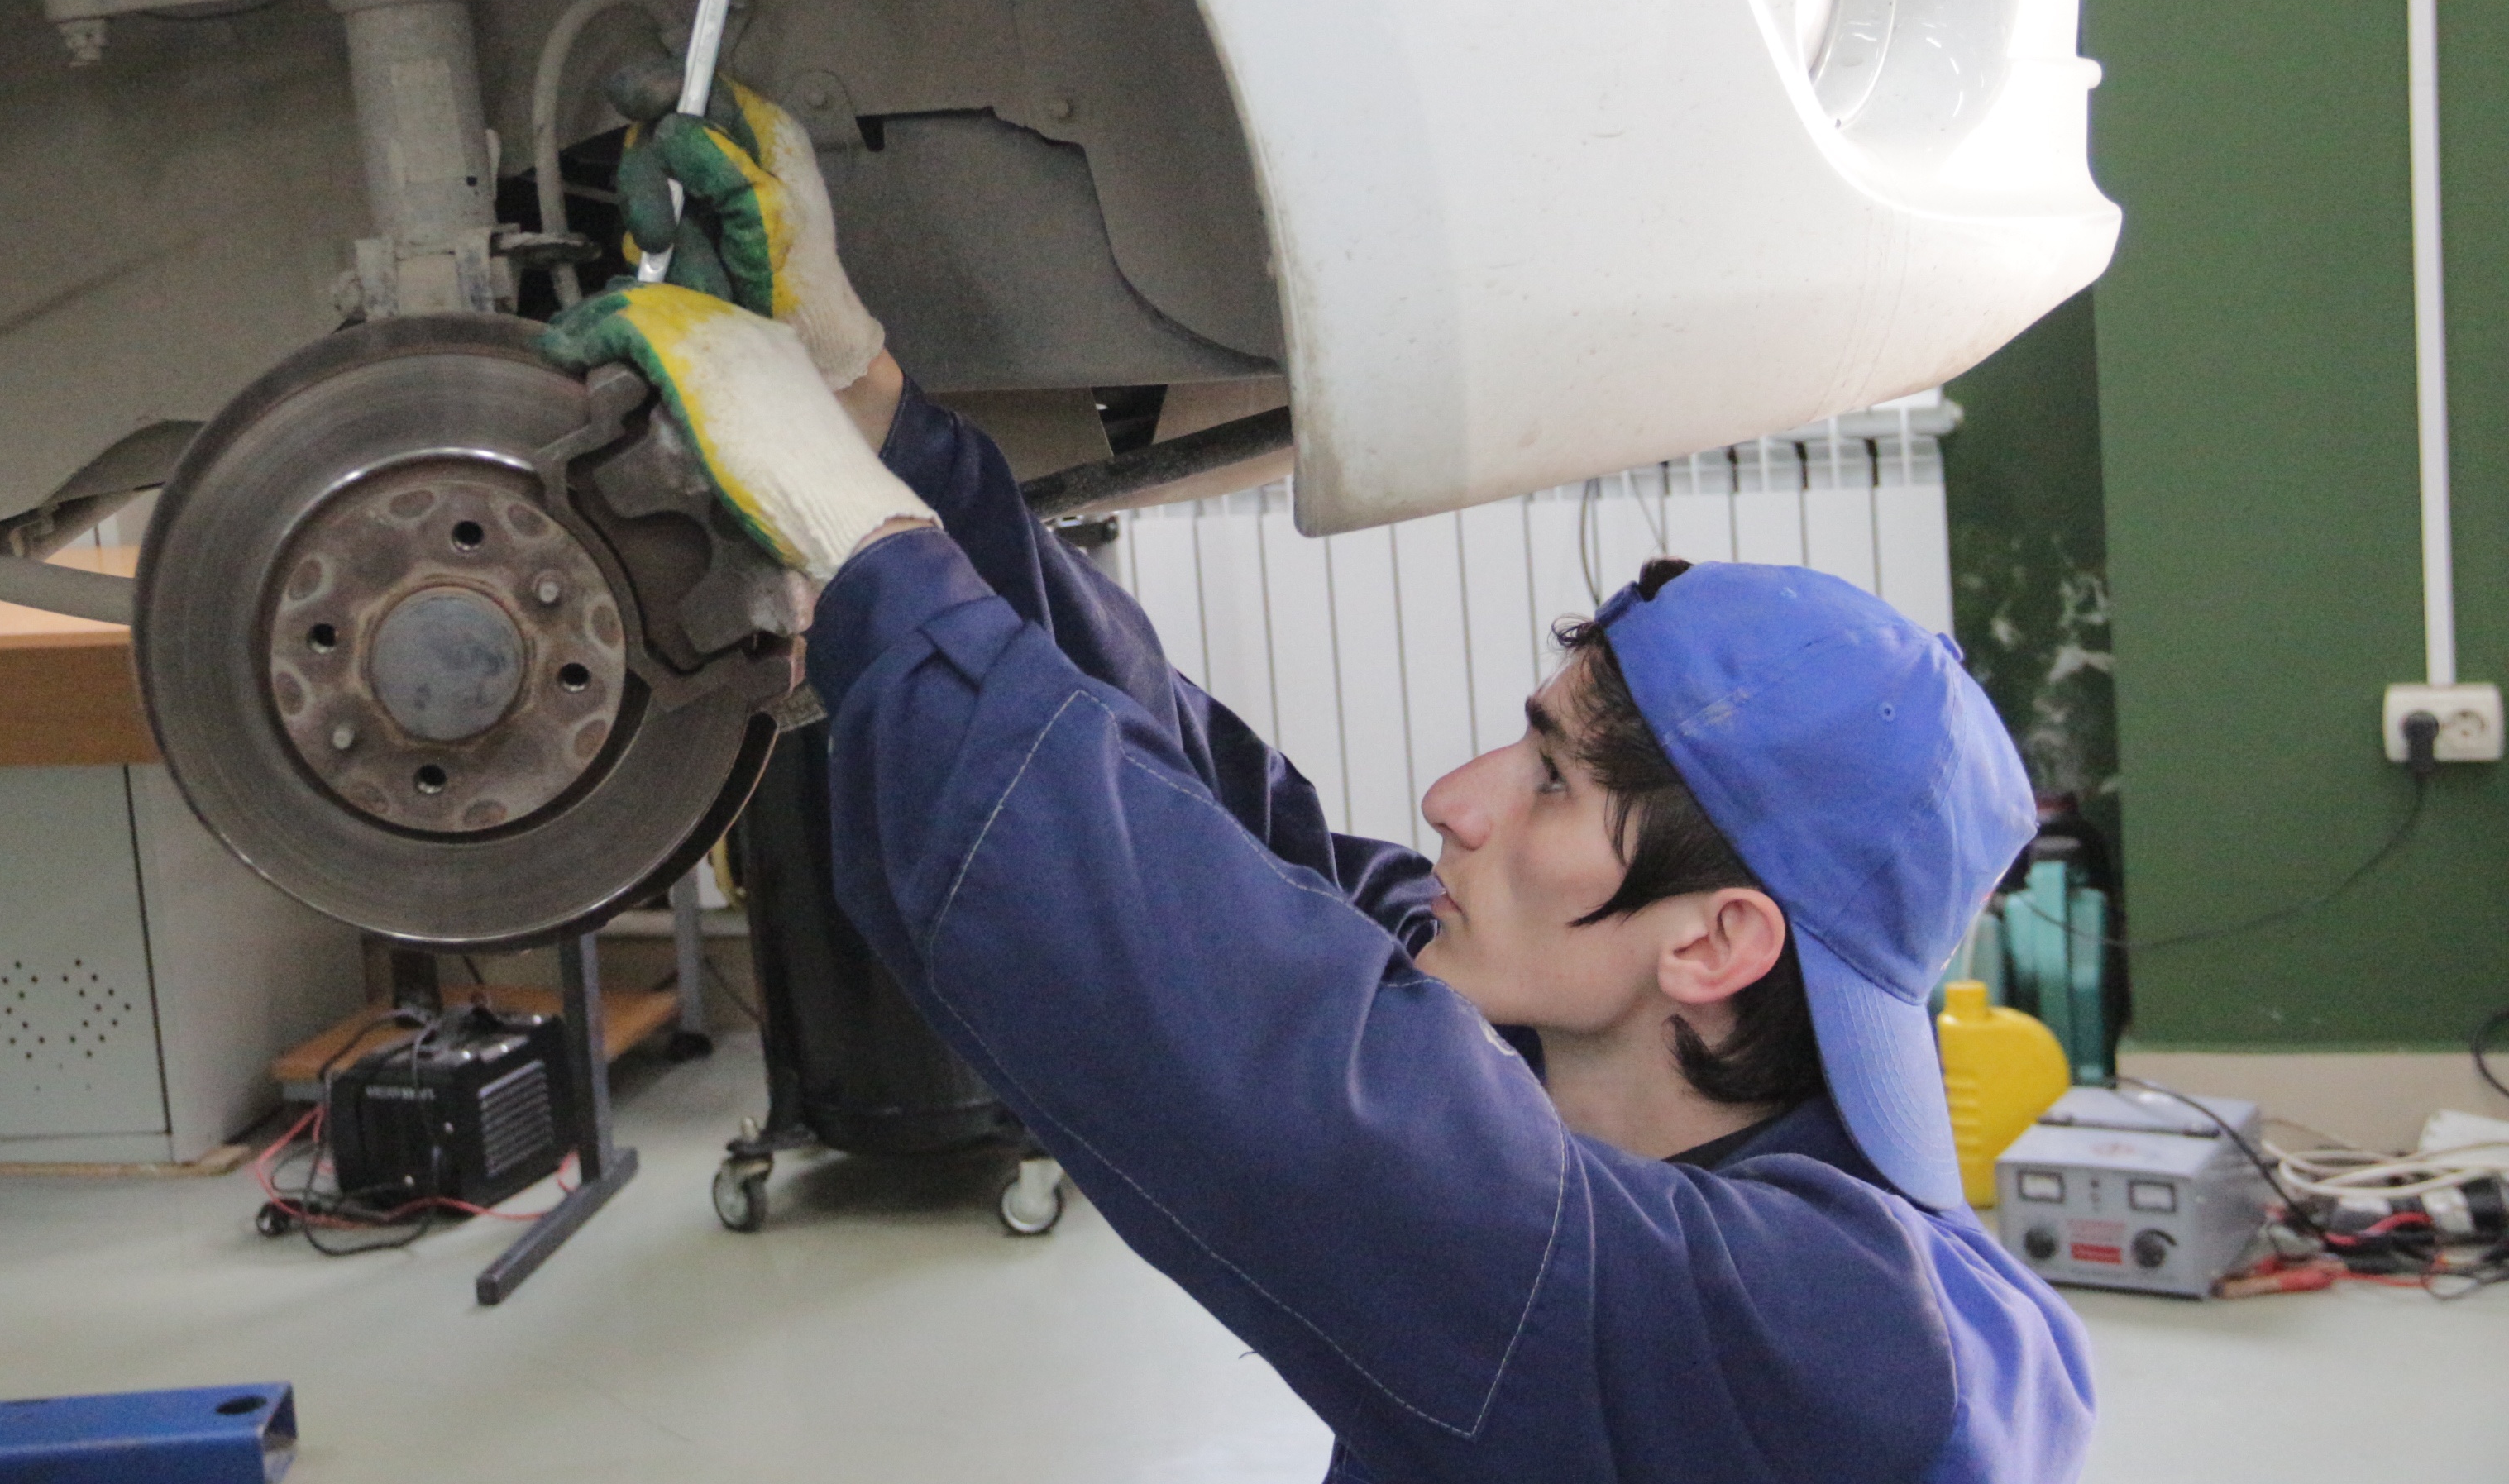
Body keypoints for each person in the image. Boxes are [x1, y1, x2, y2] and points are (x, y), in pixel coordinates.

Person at [541, 85, 2096, 1483]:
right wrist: (871, 411)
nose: (1455, 800)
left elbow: (1292, 1089)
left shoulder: (1860, 1365)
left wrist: (871, 561)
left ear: (1713, 941)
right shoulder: (1615, 1049)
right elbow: (1232, 854)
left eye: (1552, 782)